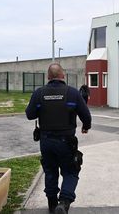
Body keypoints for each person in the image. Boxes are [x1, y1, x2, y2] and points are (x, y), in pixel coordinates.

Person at [26, 63, 92, 214]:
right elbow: (86, 116)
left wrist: (42, 107)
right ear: (63, 76)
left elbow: (30, 114)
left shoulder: (39, 93)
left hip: (46, 141)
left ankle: (51, 204)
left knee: (50, 171)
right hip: (66, 142)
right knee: (70, 171)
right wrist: (85, 127)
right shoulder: (73, 93)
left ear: (48, 77)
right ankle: (64, 202)